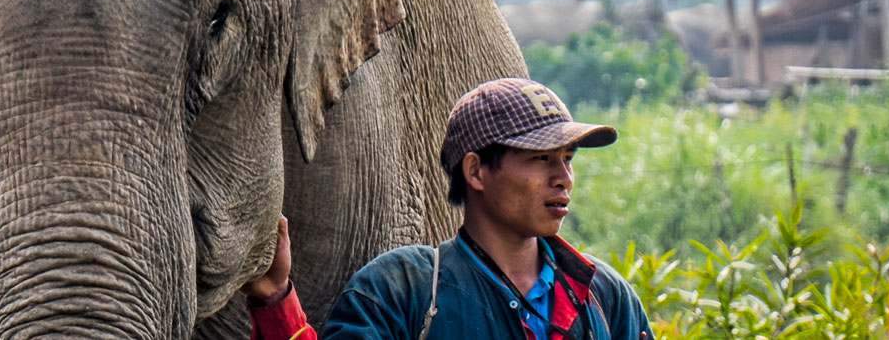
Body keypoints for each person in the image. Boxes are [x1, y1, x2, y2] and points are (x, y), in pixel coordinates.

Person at [247, 78, 653, 339]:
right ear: (476, 171)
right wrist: (276, 299)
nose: (563, 177)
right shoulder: (406, 290)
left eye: (568, 158)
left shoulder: (604, 294)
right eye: (541, 158)